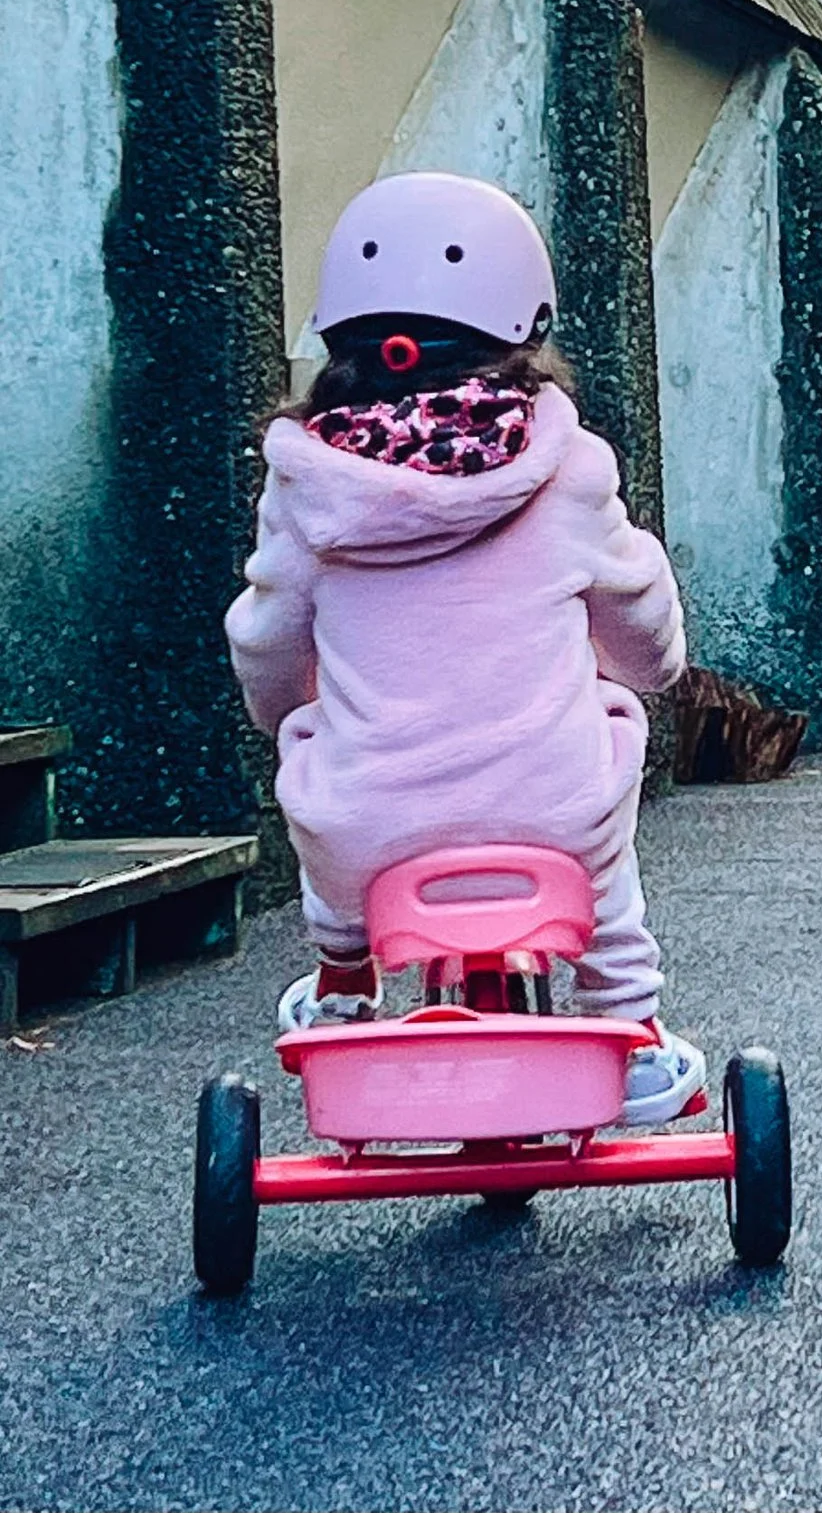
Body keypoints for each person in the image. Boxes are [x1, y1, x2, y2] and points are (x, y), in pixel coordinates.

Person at [224, 172, 703, 1127]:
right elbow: (637, 605)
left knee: (320, 755)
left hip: (372, 831)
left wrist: (285, 708)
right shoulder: (567, 468)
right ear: (523, 327)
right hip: (550, 816)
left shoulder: (308, 487)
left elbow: (268, 635)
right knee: (603, 747)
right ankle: (630, 1026)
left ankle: (345, 976)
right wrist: (651, 671)